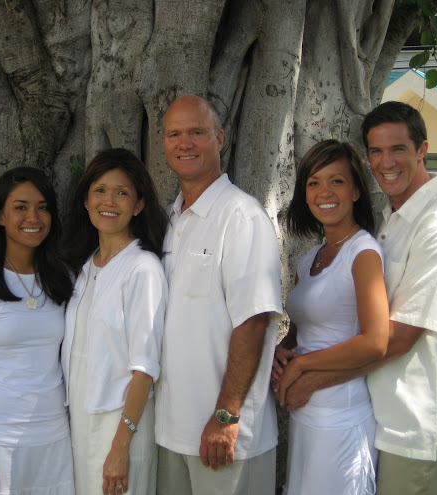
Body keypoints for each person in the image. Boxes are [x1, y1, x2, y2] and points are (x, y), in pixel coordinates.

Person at [277, 101, 437, 495]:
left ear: (422, 149)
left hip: (414, 426)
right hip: (373, 413)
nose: (386, 161)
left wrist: (311, 374)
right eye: (376, 151)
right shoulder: (390, 220)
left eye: (398, 149)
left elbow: (396, 337)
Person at [155, 94, 283, 494]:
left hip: (226, 435)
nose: (185, 143)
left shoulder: (242, 218)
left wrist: (226, 416)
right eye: (174, 134)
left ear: (220, 138)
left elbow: (254, 320)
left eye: (197, 132)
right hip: (172, 428)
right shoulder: (171, 220)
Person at [272, 140, 389, 494]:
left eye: (336, 181)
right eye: (313, 182)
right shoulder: (310, 259)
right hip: (304, 411)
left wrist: (303, 367)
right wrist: (281, 353)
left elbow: (375, 342)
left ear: (355, 190)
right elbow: (301, 332)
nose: (325, 191)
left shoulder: (363, 252)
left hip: (342, 417)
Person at [0, 167, 75, 495]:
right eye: (20, 207)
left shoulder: (66, 279)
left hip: (53, 436)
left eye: (43, 207)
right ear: (1, 216)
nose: (33, 216)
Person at [62, 148, 168, 495]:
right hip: (82, 424)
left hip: (120, 427)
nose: (110, 201)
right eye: (100, 190)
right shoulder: (86, 267)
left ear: (138, 205)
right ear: (85, 200)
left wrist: (120, 446)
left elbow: (145, 366)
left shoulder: (142, 268)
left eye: (122, 192)